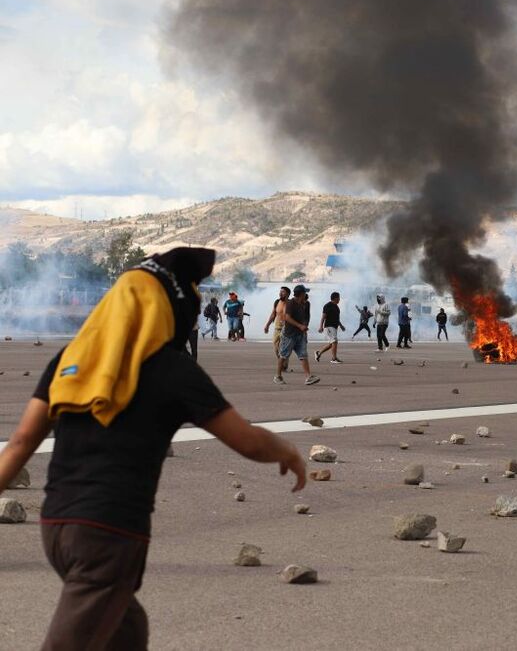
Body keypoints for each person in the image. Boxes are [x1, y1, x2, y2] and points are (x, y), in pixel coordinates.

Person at [0, 248, 307, 650]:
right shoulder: (171, 368)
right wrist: (288, 451)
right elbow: (246, 439)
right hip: (109, 536)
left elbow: (21, 443)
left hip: (57, 528)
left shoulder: (70, 359)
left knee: (126, 630)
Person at [275, 285, 319, 385]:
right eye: (305, 293)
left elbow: (305, 317)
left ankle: (308, 377)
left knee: (303, 355)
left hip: (300, 335)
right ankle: (278, 376)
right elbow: (287, 317)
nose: (306, 295)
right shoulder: (291, 303)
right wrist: (300, 326)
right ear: (301, 294)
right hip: (289, 335)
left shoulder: (304, 304)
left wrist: (304, 327)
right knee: (283, 355)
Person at [315, 291, 346, 363]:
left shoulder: (337, 307)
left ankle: (318, 353)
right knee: (334, 341)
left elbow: (337, 319)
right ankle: (334, 358)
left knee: (331, 344)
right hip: (329, 326)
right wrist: (321, 327)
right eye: (338, 298)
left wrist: (341, 326)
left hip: (334, 327)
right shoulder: (327, 305)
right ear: (335, 298)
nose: (339, 299)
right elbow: (323, 317)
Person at [264, 286, 291, 363]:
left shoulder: (291, 303)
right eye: (280, 292)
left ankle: (284, 364)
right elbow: (273, 314)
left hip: (287, 329)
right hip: (277, 328)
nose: (280, 293)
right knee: (276, 348)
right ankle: (282, 361)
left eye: (283, 292)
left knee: (284, 348)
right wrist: (267, 325)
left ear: (288, 294)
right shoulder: (277, 302)